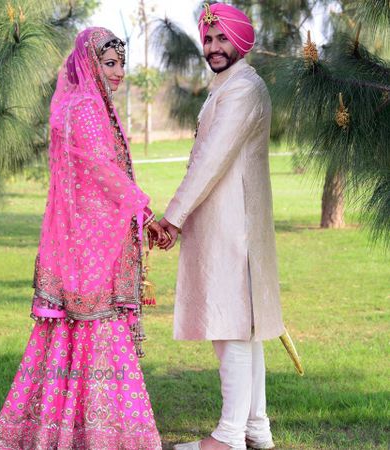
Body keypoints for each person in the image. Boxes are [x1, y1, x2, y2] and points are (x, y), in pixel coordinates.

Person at [0, 27, 167, 450]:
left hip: (79, 241)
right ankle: (101, 436)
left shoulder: (76, 103)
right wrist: (145, 213)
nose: (120, 72)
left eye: (122, 63)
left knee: (67, 337)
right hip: (93, 246)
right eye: (110, 63)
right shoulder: (87, 106)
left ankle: (55, 430)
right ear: (89, 62)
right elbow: (105, 172)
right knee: (92, 333)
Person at [159, 3, 285, 450]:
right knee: (244, 329)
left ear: (241, 40)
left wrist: (172, 216)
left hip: (235, 226)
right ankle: (255, 428)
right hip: (227, 222)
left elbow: (211, 158)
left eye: (221, 39)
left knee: (232, 325)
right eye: (208, 39)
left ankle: (228, 437)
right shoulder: (228, 86)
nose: (213, 47)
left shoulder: (242, 89)